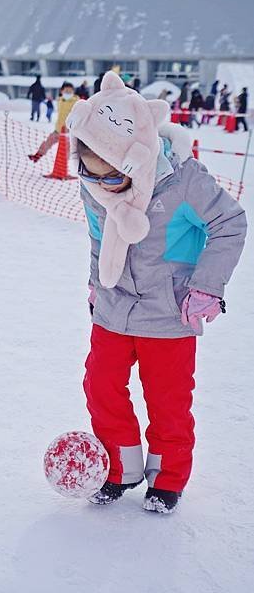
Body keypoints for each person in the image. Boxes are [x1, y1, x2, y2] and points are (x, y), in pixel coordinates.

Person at [66, 72, 246, 513]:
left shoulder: (184, 181)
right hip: (113, 307)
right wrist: (96, 282)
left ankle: (167, 479)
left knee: (167, 402)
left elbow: (231, 223)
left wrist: (205, 288)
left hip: (169, 313)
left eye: (111, 178)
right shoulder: (94, 186)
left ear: (135, 162)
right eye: (90, 173)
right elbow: (98, 235)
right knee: (101, 385)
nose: (99, 186)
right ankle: (120, 468)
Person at [28, 82, 79, 162]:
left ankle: (62, 165)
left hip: (69, 132)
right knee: (47, 143)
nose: (68, 93)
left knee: (66, 150)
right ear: (62, 91)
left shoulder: (76, 102)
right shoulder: (60, 100)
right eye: (66, 91)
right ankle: (37, 156)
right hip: (58, 129)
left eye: (70, 91)